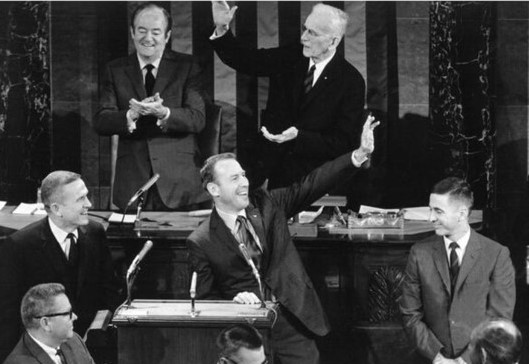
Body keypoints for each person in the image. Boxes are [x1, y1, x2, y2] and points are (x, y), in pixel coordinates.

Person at [187, 115, 379, 364]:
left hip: (291, 321)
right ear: (214, 190)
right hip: (246, 333)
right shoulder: (201, 240)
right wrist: (232, 302)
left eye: (243, 175)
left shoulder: (267, 203)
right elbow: (203, 300)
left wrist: (358, 154)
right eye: (234, 179)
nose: (244, 182)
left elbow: (313, 184)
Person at [210, 1, 366, 189]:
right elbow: (248, 60)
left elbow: (343, 143)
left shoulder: (350, 81)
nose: (303, 38)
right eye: (305, 29)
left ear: (333, 41)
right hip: (267, 167)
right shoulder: (292, 56)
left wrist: (299, 137)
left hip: (313, 177)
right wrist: (222, 28)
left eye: (312, 33)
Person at [94, 2, 208, 211]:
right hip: (132, 182)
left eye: (156, 32)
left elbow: (197, 118)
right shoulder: (115, 70)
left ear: (167, 36)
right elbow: (101, 120)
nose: (148, 38)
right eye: (142, 31)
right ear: (132, 32)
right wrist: (131, 114)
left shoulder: (188, 67)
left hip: (179, 184)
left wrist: (164, 113)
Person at [0, 171, 119, 362]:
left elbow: (109, 290)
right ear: (56, 209)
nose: (89, 204)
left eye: (86, 196)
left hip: (88, 349)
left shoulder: (95, 233)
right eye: (81, 199)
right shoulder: (20, 246)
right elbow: (8, 314)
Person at [399, 177, 516, 364]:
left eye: (438, 211)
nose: (430, 218)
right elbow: (410, 313)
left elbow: (499, 320)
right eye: (430, 209)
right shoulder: (419, 253)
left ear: (461, 214)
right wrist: (438, 358)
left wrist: (463, 361)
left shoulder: (496, 255)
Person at [3, 283, 95, 364]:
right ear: (46, 323)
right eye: (68, 313)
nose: (75, 317)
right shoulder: (18, 362)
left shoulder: (75, 341)